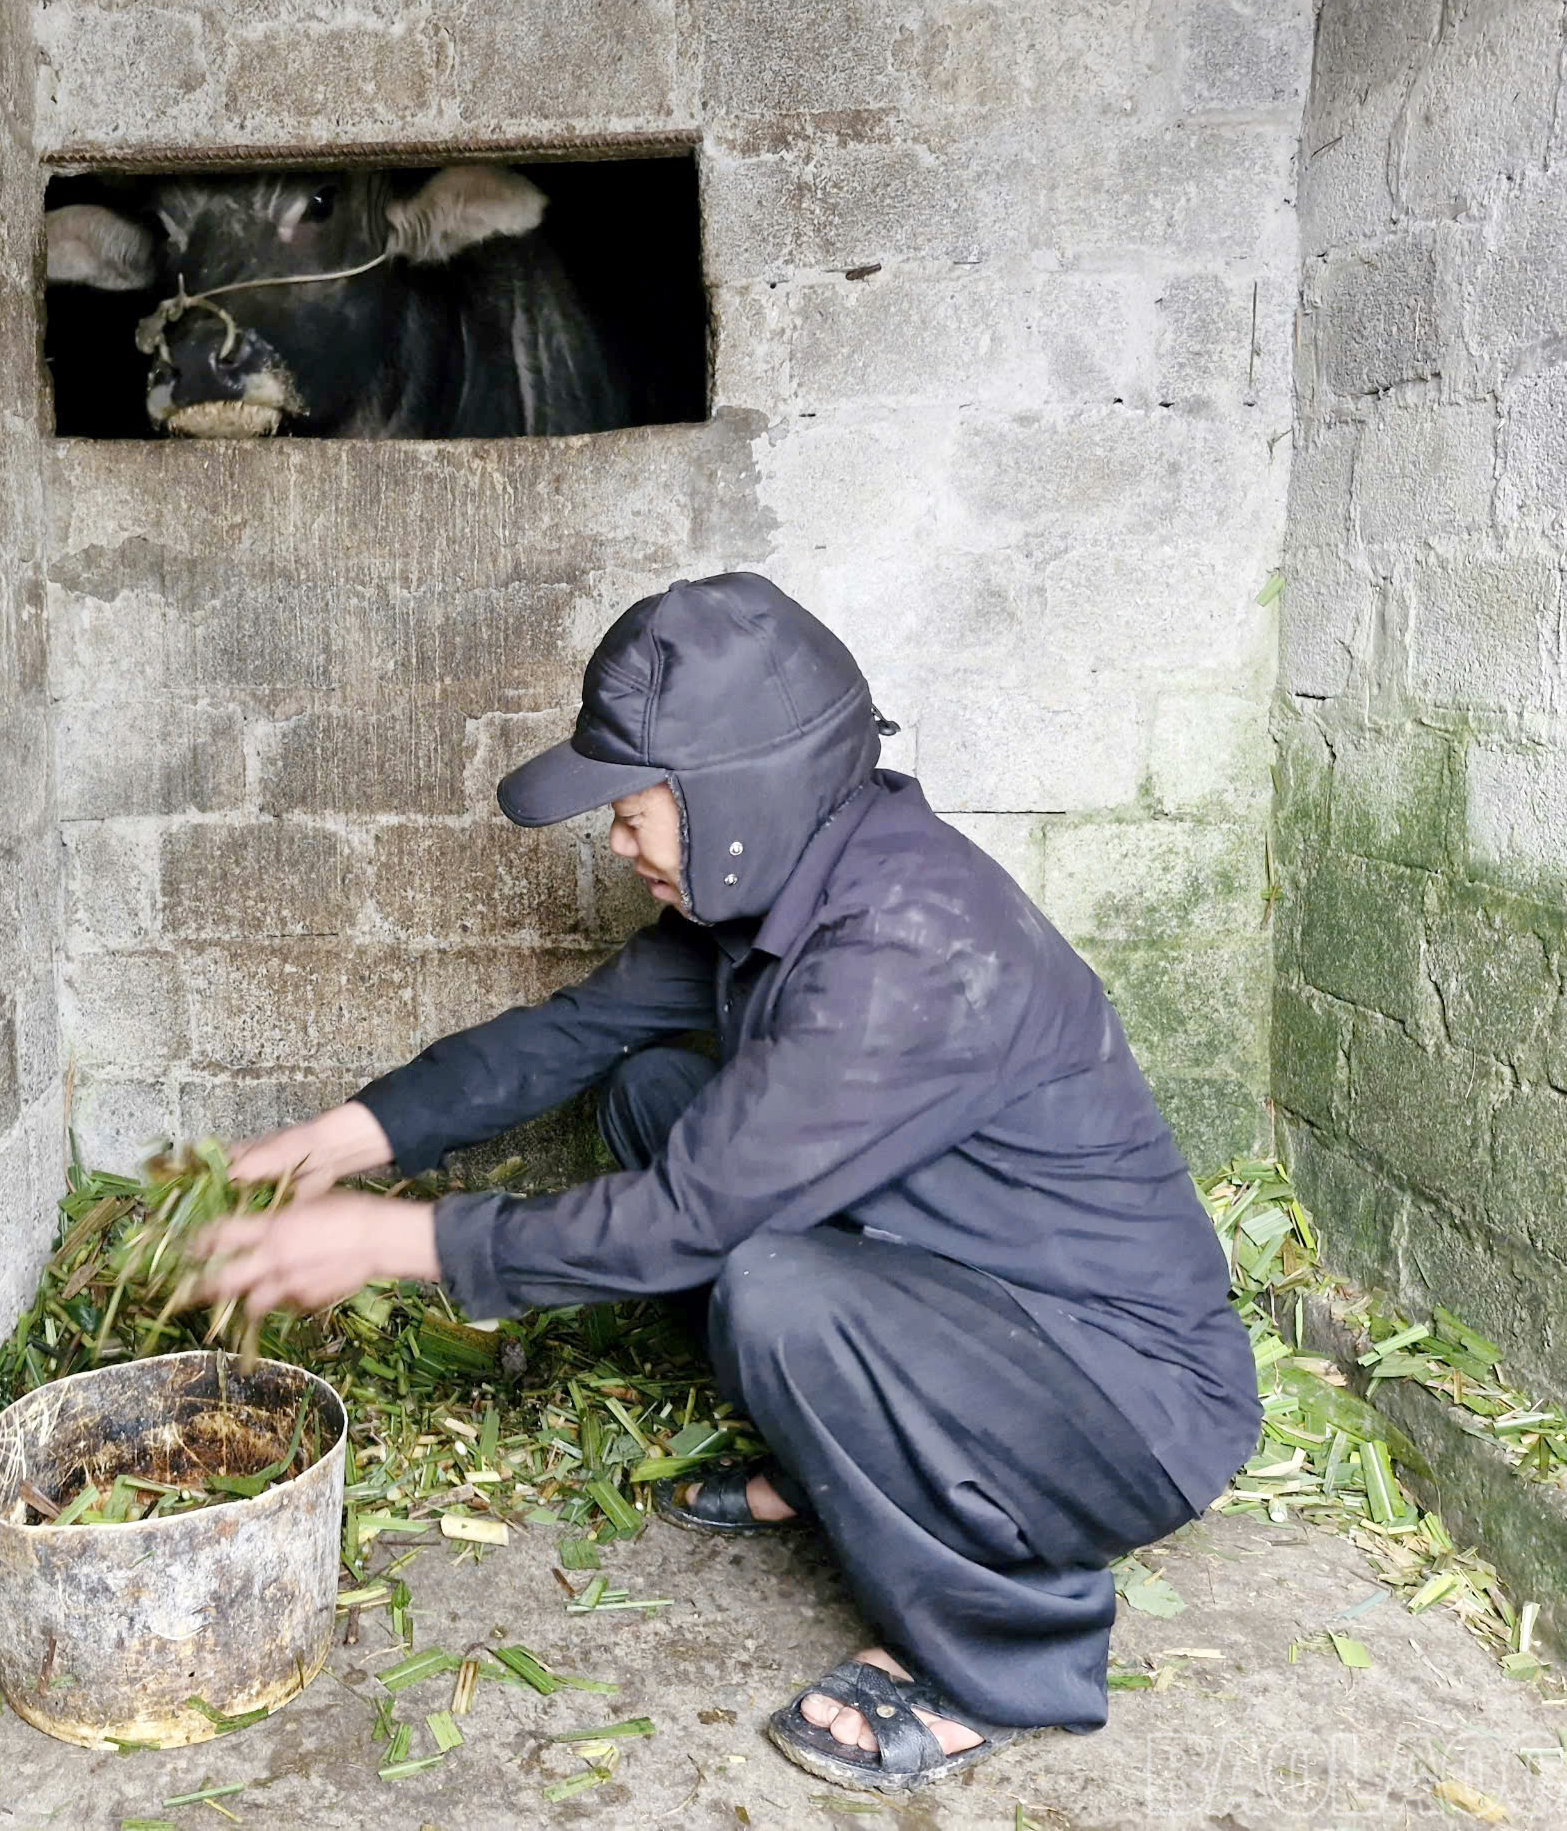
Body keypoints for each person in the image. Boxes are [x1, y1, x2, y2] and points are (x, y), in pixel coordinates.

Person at [190, 571, 1261, 1794]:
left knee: (772, 1284)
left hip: (1126, 1405)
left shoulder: (905, 951)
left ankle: (1007, 1660)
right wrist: (344, 1139)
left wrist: (387, 1246)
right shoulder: (787, 891)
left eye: (635, 810)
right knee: (654, 1090)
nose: (616, 842)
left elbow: (690, 1220)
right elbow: (569, 1035)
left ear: (738, 797)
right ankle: (854, 1469)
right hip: (986, 1312)